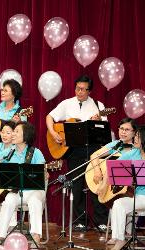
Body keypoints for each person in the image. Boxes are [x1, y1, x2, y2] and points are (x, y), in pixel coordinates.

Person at [46, 74, 109, 232]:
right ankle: (80, 221)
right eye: (77, 88)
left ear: (89, 91)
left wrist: (98, 121)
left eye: (83, 89)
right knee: (76, 186)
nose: (79, 92)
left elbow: (104, 131)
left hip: (94, 149)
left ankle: (101, 221)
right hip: (73, 150)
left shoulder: (98, 105)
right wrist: (53, 133)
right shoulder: (67, 103)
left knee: (96, 183)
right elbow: (49, 117)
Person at [0, 121, 48, 246]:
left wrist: (44, 173)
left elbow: (43, 172)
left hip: (34, 190)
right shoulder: (8, 152)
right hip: (15, 190)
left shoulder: (35, 152)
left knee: (35, 201)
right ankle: (0, 235)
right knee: (8, 201)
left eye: (16, 132)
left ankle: (36, 236)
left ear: (26, 136)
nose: (13, 134)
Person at [90, 118, 137, 194]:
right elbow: (94, 155)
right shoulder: (116, 144)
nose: (123, 132)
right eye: (121, 128)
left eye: (127, 130)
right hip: (108, 186)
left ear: (134, 132)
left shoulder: (138, 148)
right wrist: (97, 171)